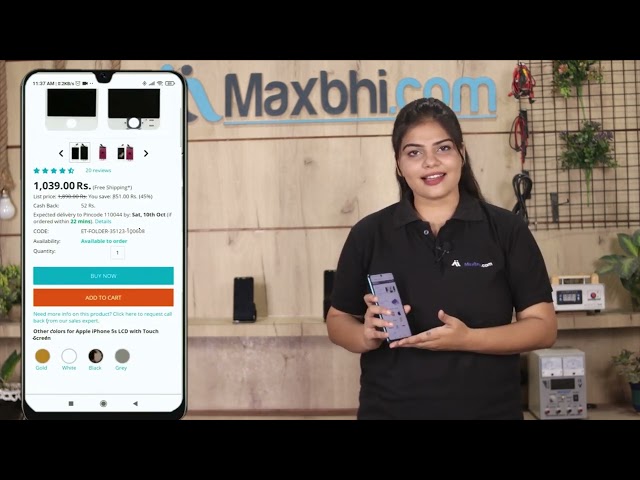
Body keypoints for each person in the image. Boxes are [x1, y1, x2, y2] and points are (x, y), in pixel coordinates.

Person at [326, 97, 557, 420]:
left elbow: (543, 328)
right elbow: (337, 321)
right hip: (390, 411)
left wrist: (468, 339)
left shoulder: (507, 230)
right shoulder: (369, 233)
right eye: (414, 152)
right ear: (398, 165)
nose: (430, 162)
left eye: (443, 148)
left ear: (461, 153)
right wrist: (365, 335)